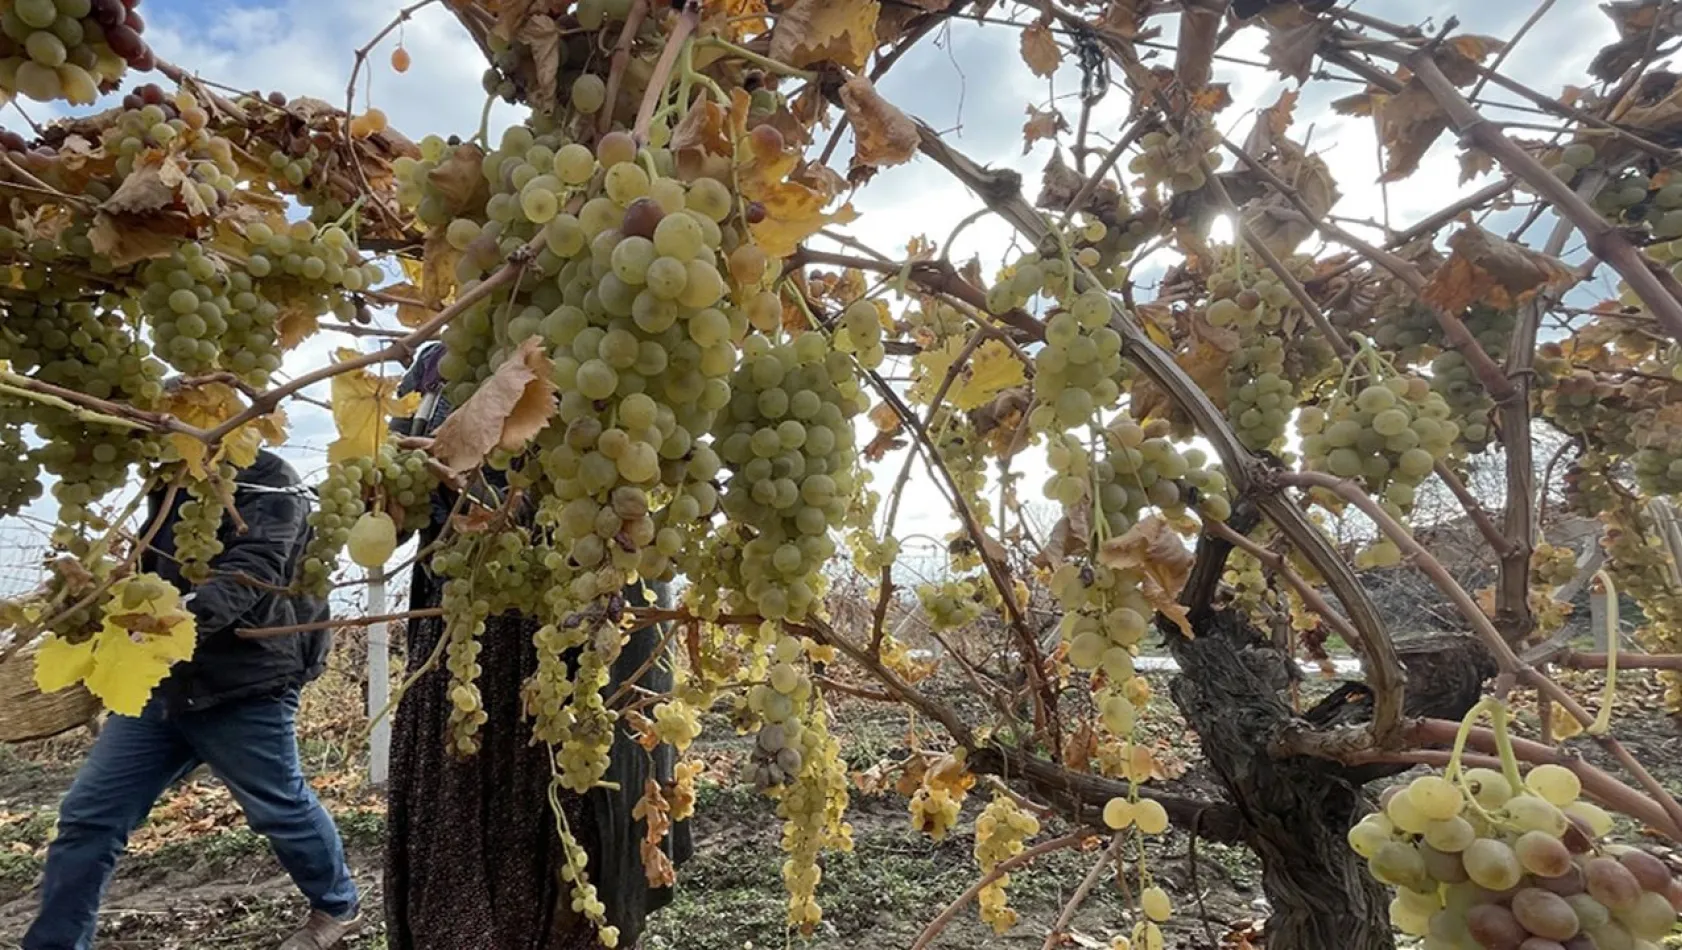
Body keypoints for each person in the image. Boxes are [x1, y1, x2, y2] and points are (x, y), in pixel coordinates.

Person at [384, 343, 690, 950]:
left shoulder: (611, 341)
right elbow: (394, 511)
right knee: (465, 848)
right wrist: (402, 471)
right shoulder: (439, 362)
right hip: (470, 640)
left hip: (587, 628)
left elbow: (656, 479)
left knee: (583, 840)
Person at [22, 449, 361, 950]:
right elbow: (166, 568)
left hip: (246, 681)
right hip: (163, 684)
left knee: (278, 807)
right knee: (88, 817)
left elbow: (256, 568)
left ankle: (338, 905)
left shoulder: (268, 479)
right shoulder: (170, 477)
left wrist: (172, 626)